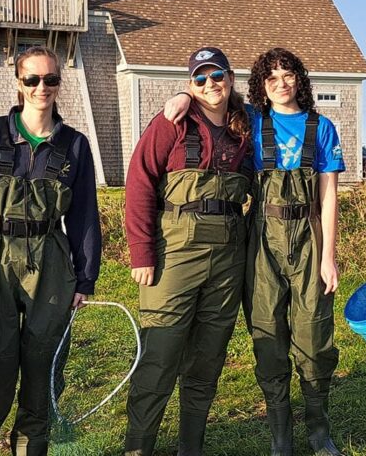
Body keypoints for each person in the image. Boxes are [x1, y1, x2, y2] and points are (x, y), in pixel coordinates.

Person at [162, 47, 345, 454]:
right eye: (271, 77)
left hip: (309, 236)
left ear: (300, 78)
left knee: (314, 336)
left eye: (288, 74)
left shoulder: (323, 127)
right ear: (261, 85)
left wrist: (329, 257)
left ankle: (318, 428)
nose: (281, 83)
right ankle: (282, 436)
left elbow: (329, 198)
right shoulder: (250, 123)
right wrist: (182, 96)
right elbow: (212, 97)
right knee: (267, 334)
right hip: (260, 238)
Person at [0, 46, 102, 456]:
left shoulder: (75, 145)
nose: (41, 88)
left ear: (59, 83)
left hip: (50, 257)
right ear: (18, 83)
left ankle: (32, 446)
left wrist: (85, 278)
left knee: (43, 363)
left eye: (50, 79)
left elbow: (85, 215)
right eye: (32, 79)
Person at [122, 47, 254, 456]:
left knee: (208, 359)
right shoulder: (173, 122)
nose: (209, 85)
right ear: (189, 85)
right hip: (175, 252)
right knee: (160, 356)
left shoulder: (245, 126)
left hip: (228, 255)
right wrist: (142, 253)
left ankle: (190, 447)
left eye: (217, 76)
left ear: (230, 78)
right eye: (200, 79)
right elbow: (139, 183)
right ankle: (138, 447)